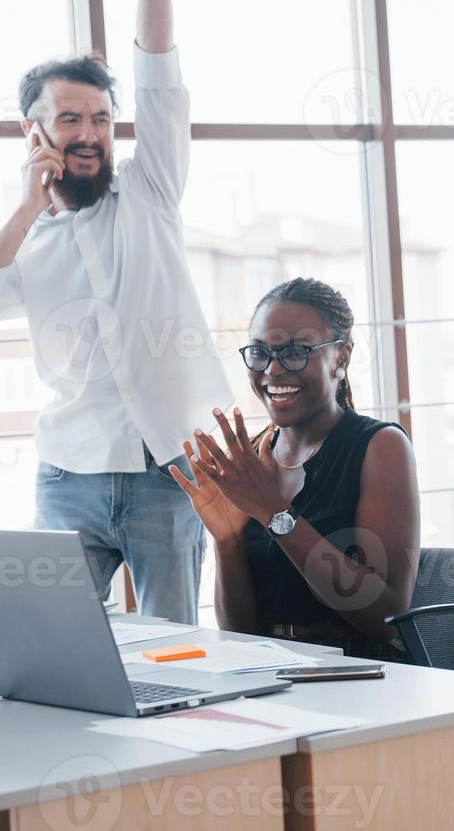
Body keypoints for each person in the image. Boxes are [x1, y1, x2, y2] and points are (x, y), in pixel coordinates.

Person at [0, 0, 227, 622]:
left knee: (176, 650)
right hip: (68, 473)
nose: (90, 134)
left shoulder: (150, 193)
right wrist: (26, 207)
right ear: (32, 130)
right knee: (52, 637)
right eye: (70, 120)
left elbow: (160, 75)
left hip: (170, 472)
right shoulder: (26, 240)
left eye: (100, 118)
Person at [167, 278, 421, 660]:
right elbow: (241, 633)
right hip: (271, 669)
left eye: (296, 352)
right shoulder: (251, 458)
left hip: (362, 673)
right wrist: (228, 542)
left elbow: (384, 619)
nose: (273, 370)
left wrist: (275, 513)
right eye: (260, 352)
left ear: (341, 357)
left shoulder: (380, 446)